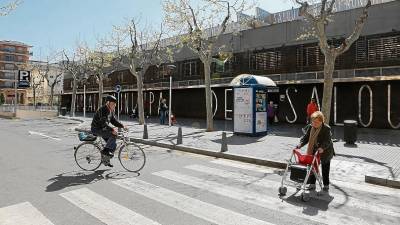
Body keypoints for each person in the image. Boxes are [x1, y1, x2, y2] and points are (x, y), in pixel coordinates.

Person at [296, 111, 335, 191]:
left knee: (325, 168)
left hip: (326, 151)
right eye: (313, 121)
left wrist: (322, 148)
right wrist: (300, 144)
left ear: (321, 121)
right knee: (312, 167)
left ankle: (326, 185)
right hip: (314, 149)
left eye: (316, 122)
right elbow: (306, 138)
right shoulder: (311, 127)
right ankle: (312, 184)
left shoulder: (326, 128)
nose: (314, 123)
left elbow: (327, 141)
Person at [91, 95, 127, 167]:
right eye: (112, 104)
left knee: (113, 145)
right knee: (113, 135)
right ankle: (105, 151)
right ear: (108, 103)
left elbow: (113, 121)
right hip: (96, 129)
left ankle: (106, 161)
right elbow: (103, 123)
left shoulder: (110, 111)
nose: (114, 105)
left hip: (102, 128)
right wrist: (112, 129)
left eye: (115, 104)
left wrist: (122, 126)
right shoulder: (103, 110)